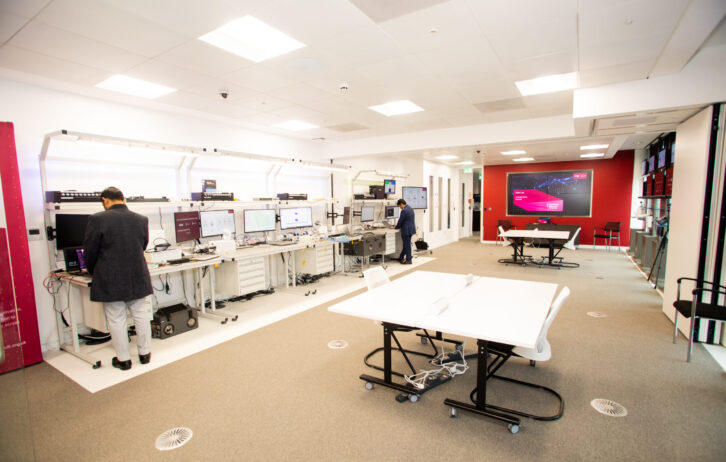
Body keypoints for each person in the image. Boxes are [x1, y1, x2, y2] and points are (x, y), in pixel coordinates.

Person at [83, 187, 153, 371]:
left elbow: (90, 251)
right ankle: (145, 354)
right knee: (141, 315)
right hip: (137, 274)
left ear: (105, 200)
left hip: (110, 276)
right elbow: (142, 245)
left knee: (116, 319)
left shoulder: (97, 219)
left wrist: (93, 270)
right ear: (123, 199)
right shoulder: (140, 219)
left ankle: (124, 360)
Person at [395, 198, 416, 264]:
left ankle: (408, 260)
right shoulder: (410, 208)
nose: (400, 208)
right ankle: (401, 257)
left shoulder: (404, 211)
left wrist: (396, 227)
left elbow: (401, 220)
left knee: (407, 245)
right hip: (411, 229)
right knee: (406, 245)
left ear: (401, 204)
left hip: (406, 230)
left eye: (399, 206)